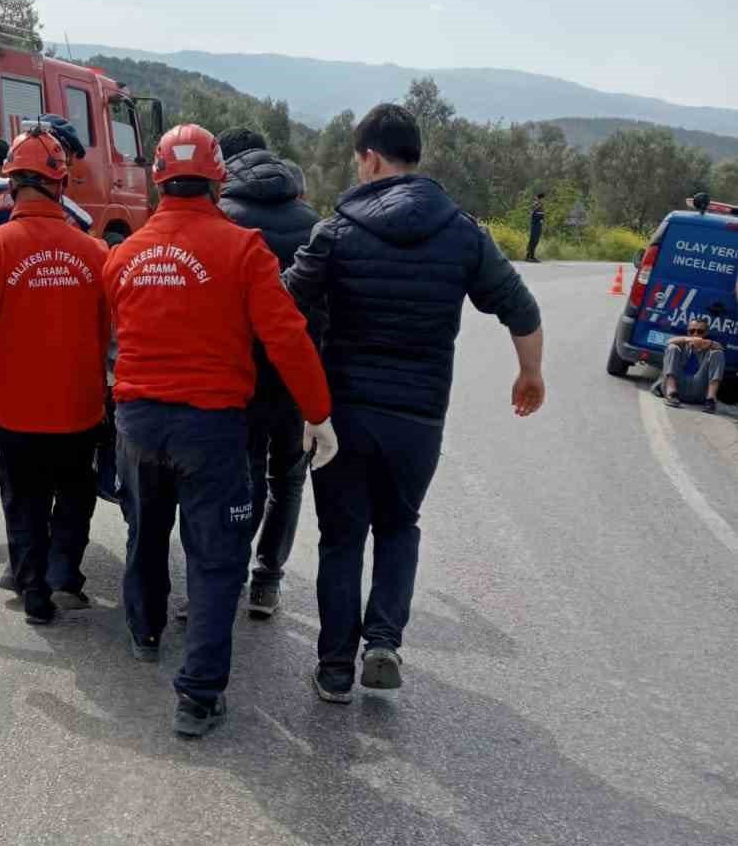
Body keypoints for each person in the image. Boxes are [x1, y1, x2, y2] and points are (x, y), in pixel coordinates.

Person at [286, 102, 545, 704]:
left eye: (358, 159)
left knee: (341, 537)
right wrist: (530, 372)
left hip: (343, 415)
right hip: (419, 418)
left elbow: (283, 308)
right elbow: (521, 308)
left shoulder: (336, 231)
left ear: (371, 158)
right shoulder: (462, 233)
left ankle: (332, 670)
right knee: (399, 525)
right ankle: (382, 641)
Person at [104, 123, 335, 740]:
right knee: (214, 560)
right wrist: (317, 412)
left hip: (137, 421)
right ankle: (198, 698)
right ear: (217, 178)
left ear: (157, 177)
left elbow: (110, 339)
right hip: (210, 426)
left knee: (146, 532)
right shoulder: (243, 249)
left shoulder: (123, 255)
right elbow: (286, 336)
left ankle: (144, 632)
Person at [0, 128, 110, 627]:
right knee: (75, 493)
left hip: (14, 411)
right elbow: (111, 331)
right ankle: (63, 570)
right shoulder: (93, 252)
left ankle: (35, 594)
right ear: (61, 183)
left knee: (24, 502)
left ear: (9, 184)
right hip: (80, 407)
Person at [216, 124, 321, 619]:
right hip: (296, 376)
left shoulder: (221, 218)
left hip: (238, 374)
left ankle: (230, 577)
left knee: (244, 476)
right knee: (290, 479)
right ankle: (267, 580)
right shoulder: (315, 221)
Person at [653, 317, 725, 411]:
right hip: (678, 388)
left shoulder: (710, 346)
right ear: (687, 332)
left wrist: (709, 343)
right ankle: (671, 393)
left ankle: (710, 399)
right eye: (692, 331)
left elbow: (721, 347)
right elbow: (668, 342)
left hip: (699, 391)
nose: (695, 334)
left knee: (718, 353)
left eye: (700, 331)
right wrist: (687, 339)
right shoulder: (682, 344)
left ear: (706, 333)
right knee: (672, 348)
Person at [526, 191, 546, 262]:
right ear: (539, 199)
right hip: (535, 225)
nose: (543, 200)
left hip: (538, 226)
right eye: (542, 198)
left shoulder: (541, 206)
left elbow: (542, 216)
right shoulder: (536, 205)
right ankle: (529, 257)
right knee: (533, 240)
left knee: (535, 241)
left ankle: (531, 256)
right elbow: (530, 213)